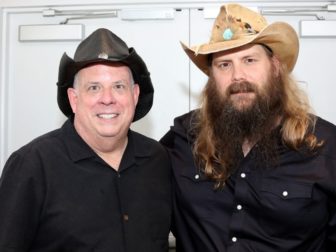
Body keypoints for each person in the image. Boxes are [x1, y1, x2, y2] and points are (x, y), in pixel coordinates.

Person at [160, 3, 336, 251]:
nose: (237, 76)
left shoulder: (326, 147)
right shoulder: (183, 137)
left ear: (275, 67)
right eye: (224, 64)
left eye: (250, 60)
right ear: (212, 77)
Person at [0, 28, 171, 251]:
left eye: (118, 86)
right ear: (74, 99)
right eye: (94, 88)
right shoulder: (32, 166)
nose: (107, 99)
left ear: (135, 95)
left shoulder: (157, 159)